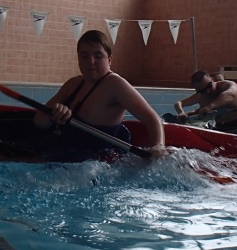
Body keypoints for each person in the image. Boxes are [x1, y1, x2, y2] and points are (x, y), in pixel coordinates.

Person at [33, 30, 165, 160]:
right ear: (78, 59)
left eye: (98, 56)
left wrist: (158, 148)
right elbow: (39, 121)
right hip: (61, 154)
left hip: (93, 164)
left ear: (109, 60)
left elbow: (153, 119)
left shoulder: (115, 85)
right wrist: (54, 114)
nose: (91, 61)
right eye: (84, 55)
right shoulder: (73, 84)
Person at [173, 70, 237, 130]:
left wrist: (210, 107)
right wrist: (181, 113)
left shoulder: (228, 85)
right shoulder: (201, 95)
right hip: (221, 126)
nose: (208, 91)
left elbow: (230, 95)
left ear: (213, 80)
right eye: (202, 91)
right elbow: (178, 103)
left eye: (209, 86)